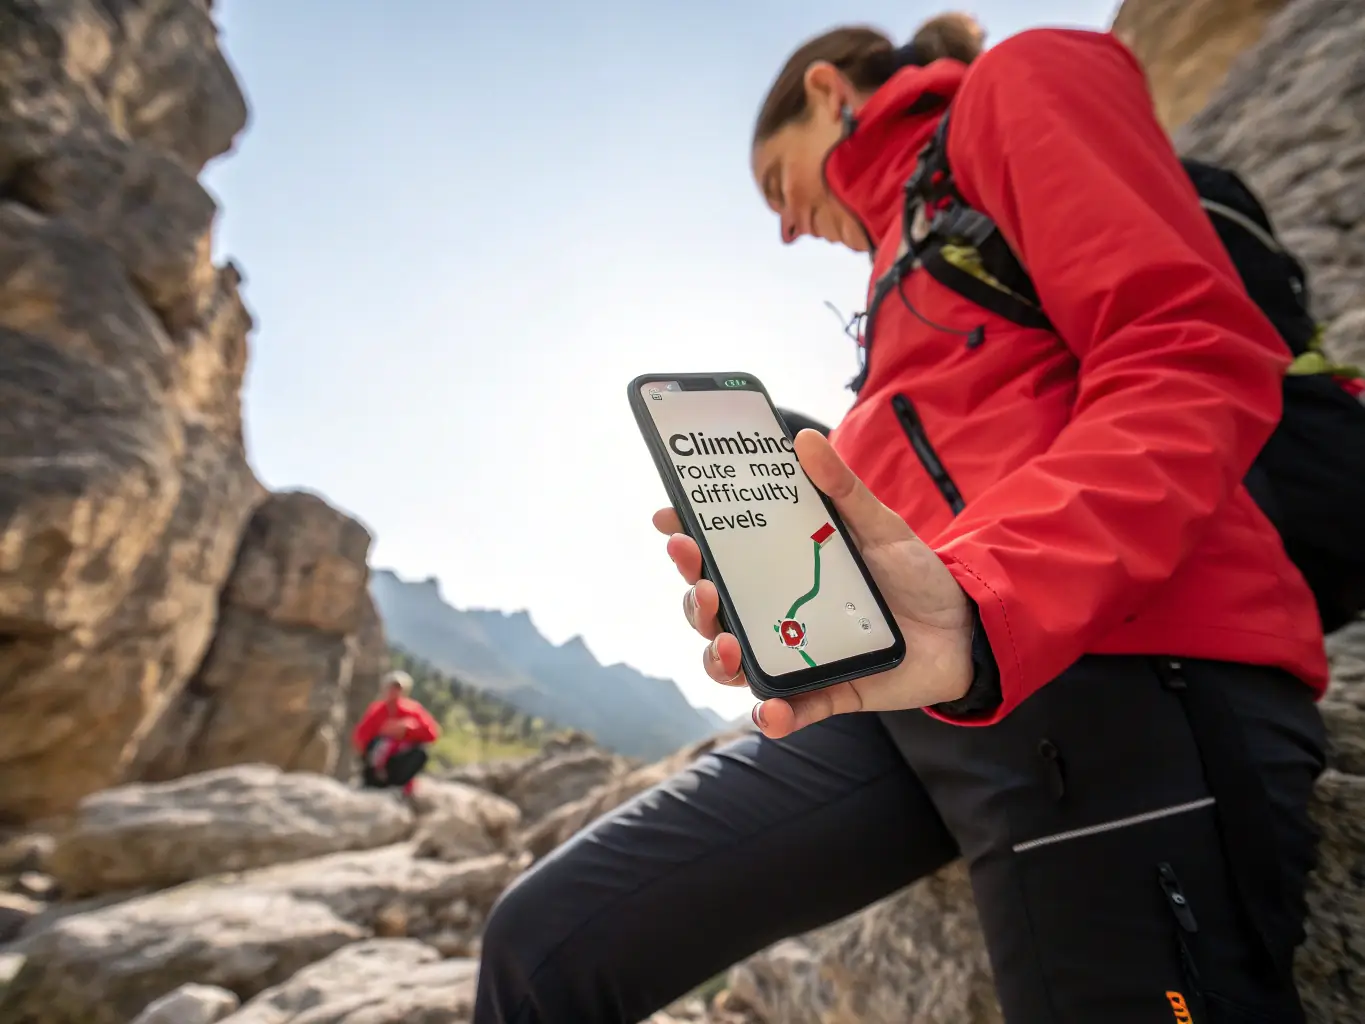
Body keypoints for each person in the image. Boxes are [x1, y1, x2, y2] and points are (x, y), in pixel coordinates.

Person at [473, 15, 1331, 1023]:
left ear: (831, 93)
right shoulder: (896, 285)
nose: (786, 226)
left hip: (1124, 670)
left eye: (776, 183)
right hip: (923, 692)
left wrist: (984, 596)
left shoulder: (1018, 85)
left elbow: (1190, 357)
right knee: (541, 948)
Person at [352, 669, 440, 795]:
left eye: (398, 688)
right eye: (391, 687)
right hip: (377, 763)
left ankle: (399, 785)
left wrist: (408, 729)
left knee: (421, 752)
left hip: (400, 761)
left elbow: (432, 734)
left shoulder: (413, 710)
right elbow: (360, 738)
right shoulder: (377, 711)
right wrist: (383, 735)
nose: (394, 691)